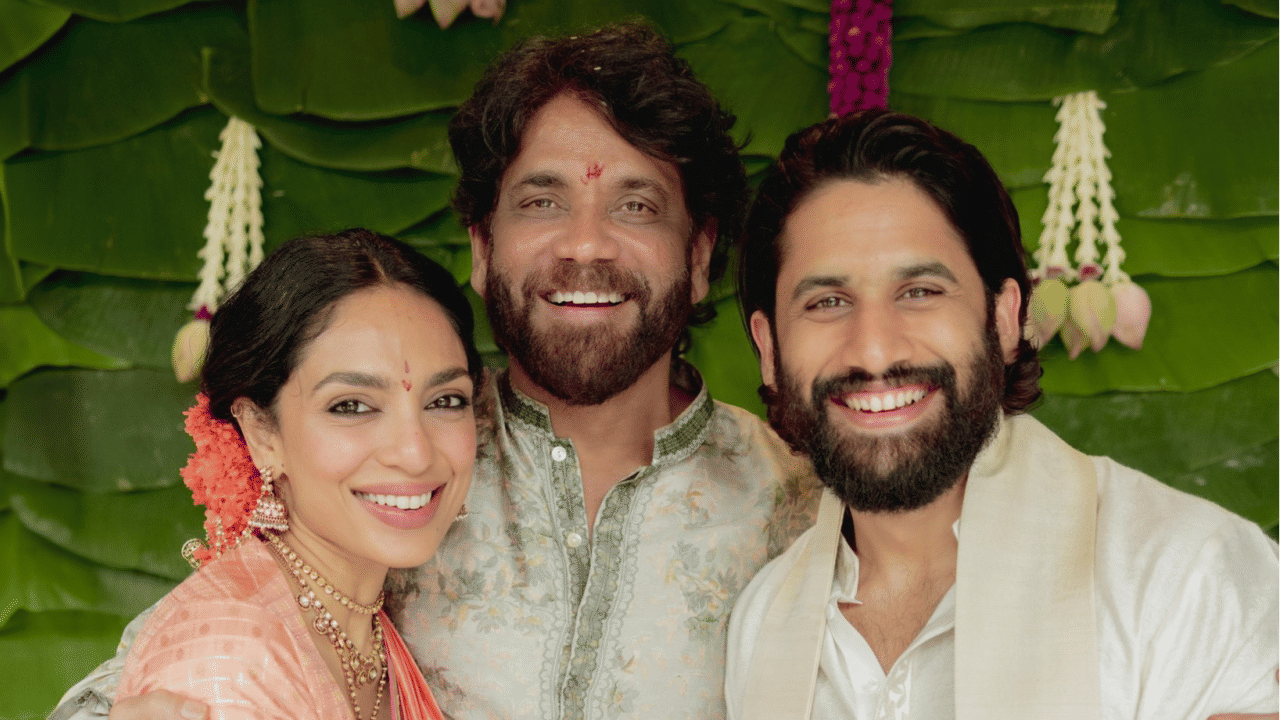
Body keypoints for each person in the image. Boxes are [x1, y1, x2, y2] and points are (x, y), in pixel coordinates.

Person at [51, 24, 819, 720]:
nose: (586, 246)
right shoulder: (404, 463)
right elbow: (170, 674)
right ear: (484, 248)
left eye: (638, 207)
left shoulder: (795, 505)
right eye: (543, 201)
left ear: (698, 255)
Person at [725, 110, 1280, 720]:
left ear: (1004, 317)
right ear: (770, 349)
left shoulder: (1187, 574)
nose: (875, 350)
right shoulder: (762, 620)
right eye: (828, 302)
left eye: (920, 292)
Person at [114, 229, 484, 719]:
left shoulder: (362, 616)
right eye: (351, 406)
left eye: (445, 401)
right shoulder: (229, 665)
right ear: (262, 433)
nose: (416, 454)